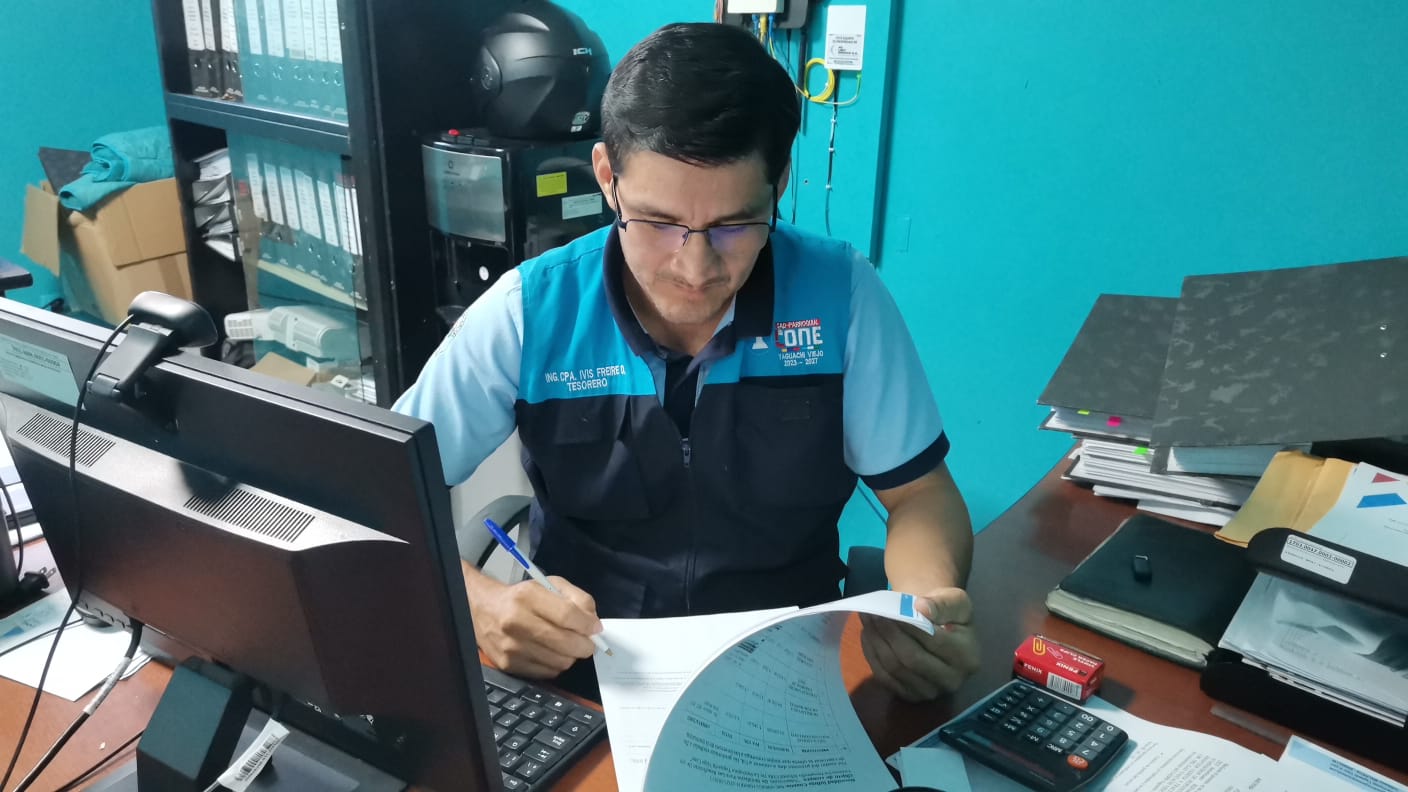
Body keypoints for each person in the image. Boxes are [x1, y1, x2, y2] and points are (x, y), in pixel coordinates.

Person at [394, 21, 979, 702]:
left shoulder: (840, 298)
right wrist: (478, 603)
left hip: (788, 674)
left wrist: (923, 607)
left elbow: (921, 495)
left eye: (734, 225)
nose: (695, 268)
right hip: (586, 676)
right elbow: (381, 493)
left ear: (778, 185)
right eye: (659, 222)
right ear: (608, 177)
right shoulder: (532, 311)